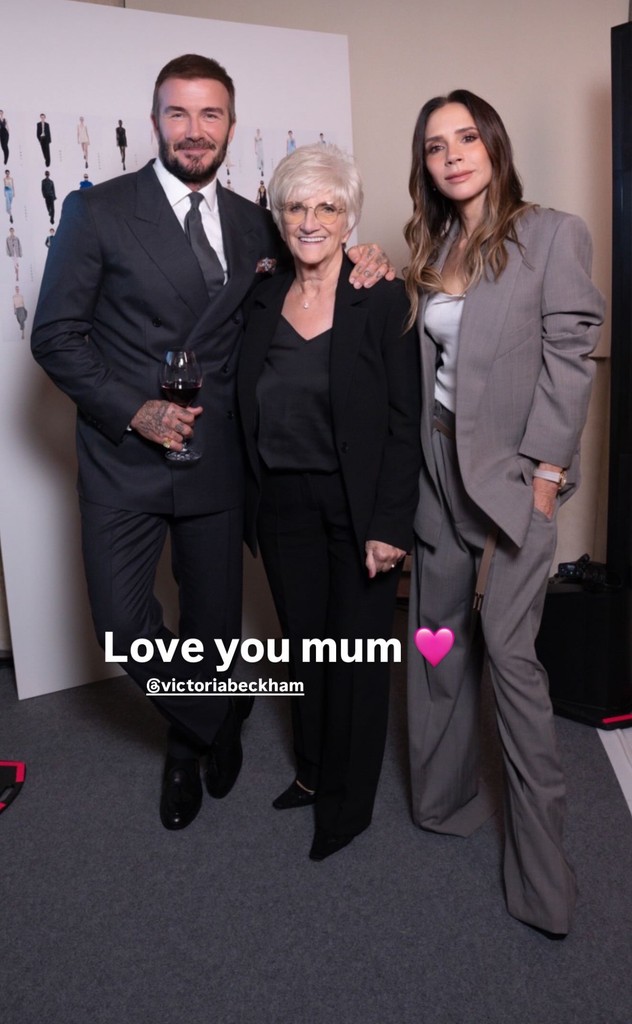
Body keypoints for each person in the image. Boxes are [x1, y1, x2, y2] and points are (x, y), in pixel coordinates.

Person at [31, 54, 393, 834]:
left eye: (211, 115)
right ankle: (214, 716)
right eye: (178, 114)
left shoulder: (255, 220)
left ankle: (184, 742)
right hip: (124, 457)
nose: (195, 131)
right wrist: (134, 412)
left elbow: (313, 259)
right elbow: (55, 336)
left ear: (231, 124)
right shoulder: (99, 212)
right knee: (126, 628)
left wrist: (365, 258)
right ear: (155, 118)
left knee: (212, 626)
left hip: (221, 462)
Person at [404, 90, 605, 937]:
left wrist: (549, 474)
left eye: (464, 137)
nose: (451, 154)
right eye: (434, 145)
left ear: (493, 143)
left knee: (512, 664)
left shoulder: (550, 233)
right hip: (438, 467)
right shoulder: (431, 242)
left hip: (516, 475)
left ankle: (543, 882)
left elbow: (573, 351)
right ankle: (444, 803)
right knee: (434, 641)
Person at [238, 144, 421, 861]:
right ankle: (313, 774)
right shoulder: (259, 296)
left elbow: (404, 424)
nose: (311, 220)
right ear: (278, 215)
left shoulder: (382, 297)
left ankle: (348, 806)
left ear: (350, 218)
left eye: (328, 206)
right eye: (296, 205)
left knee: (358, 659)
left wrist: (388, 524)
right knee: (307, 651)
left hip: (358, 509)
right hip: (282, 506)